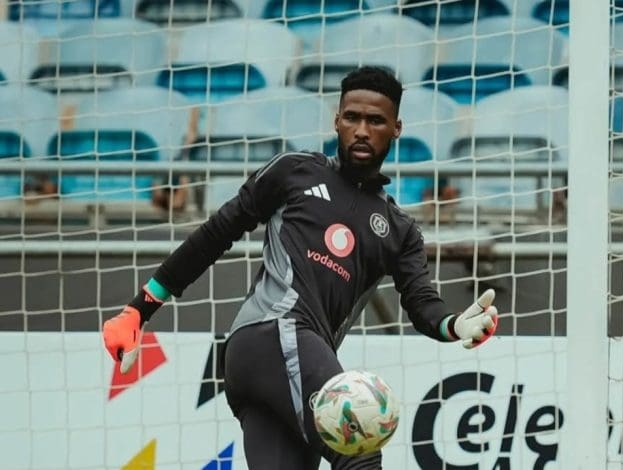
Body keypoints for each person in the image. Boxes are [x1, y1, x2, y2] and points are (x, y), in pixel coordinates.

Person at [102, 66, 500, 470]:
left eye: (375, 121)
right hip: (273, 331)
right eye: (352, 118)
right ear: (337, 121)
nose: (362, 130)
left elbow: (421, 303)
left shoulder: (400, 229)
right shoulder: (296, 171)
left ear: (396, 128)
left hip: (278, 362)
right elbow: (216, 233)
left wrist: (454, 325)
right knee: (359, 440)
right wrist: (139, 308)